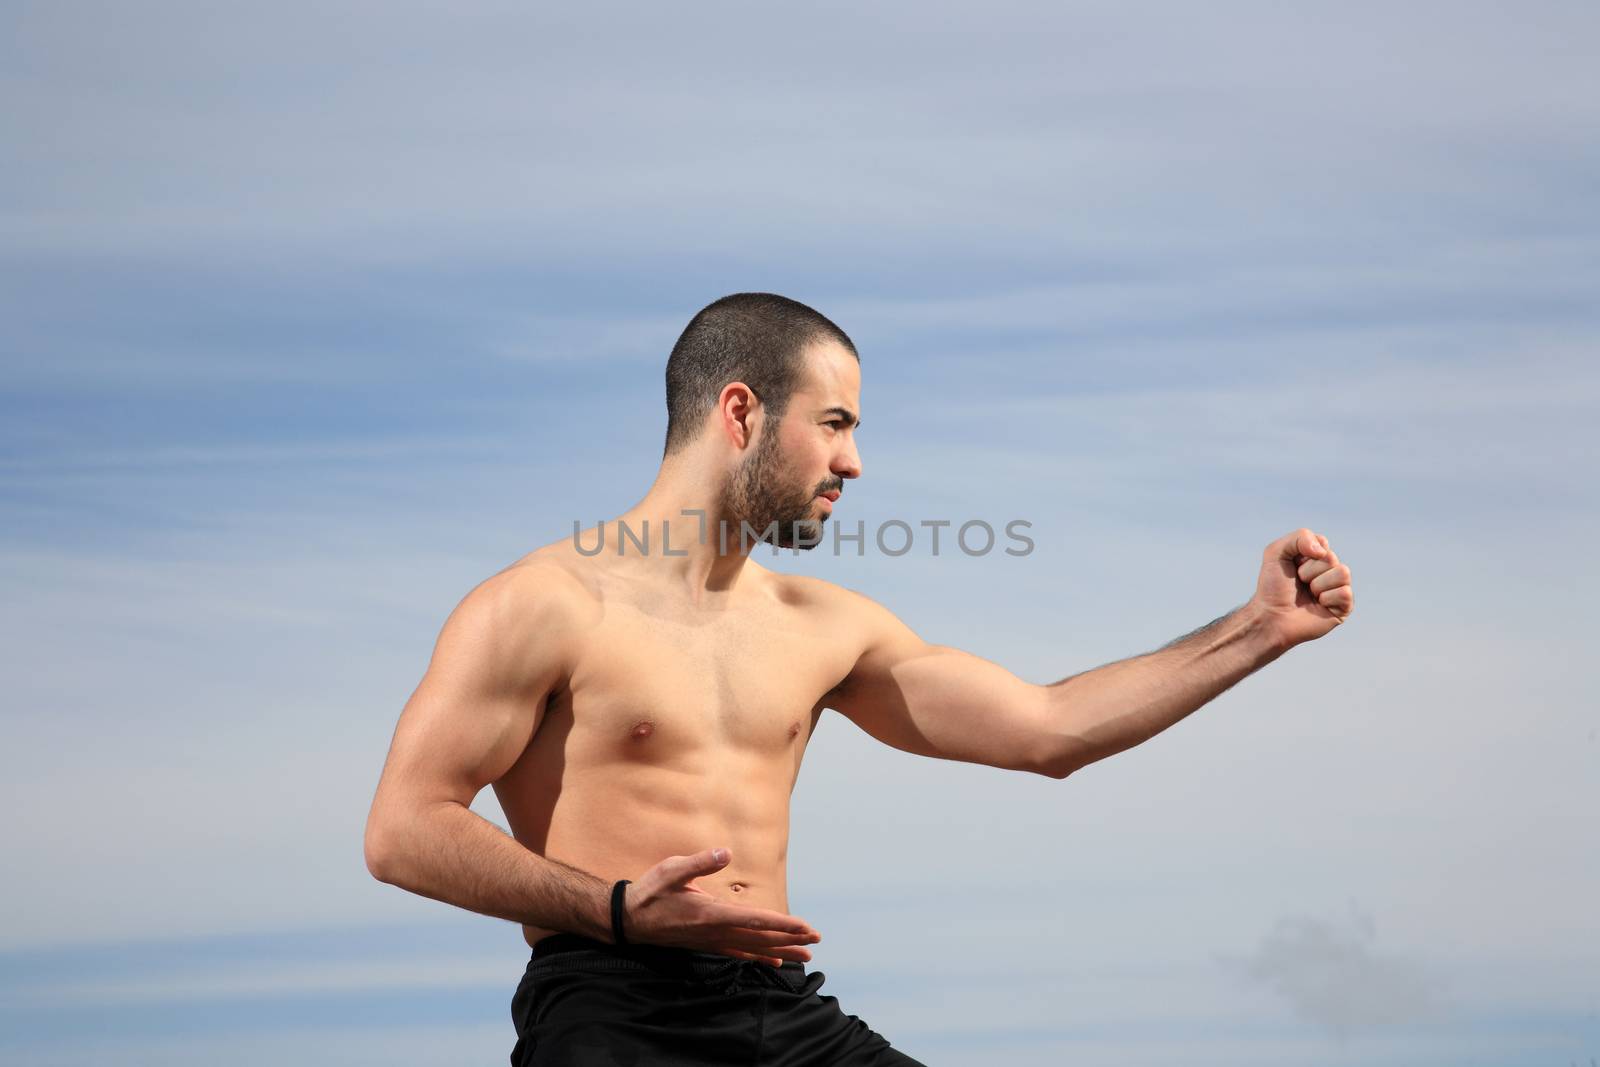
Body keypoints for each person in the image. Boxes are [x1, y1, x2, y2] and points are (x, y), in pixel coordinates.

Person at [361, 292, 1355, 1066]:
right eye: (834, 423)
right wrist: (616, 907)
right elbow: (403, 829)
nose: (856, 461)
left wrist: (1259, 628)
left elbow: (1049, 729)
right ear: (741, 411)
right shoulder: (544, 602)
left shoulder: (822, 626)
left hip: (783, 1011)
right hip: (611, 1009)